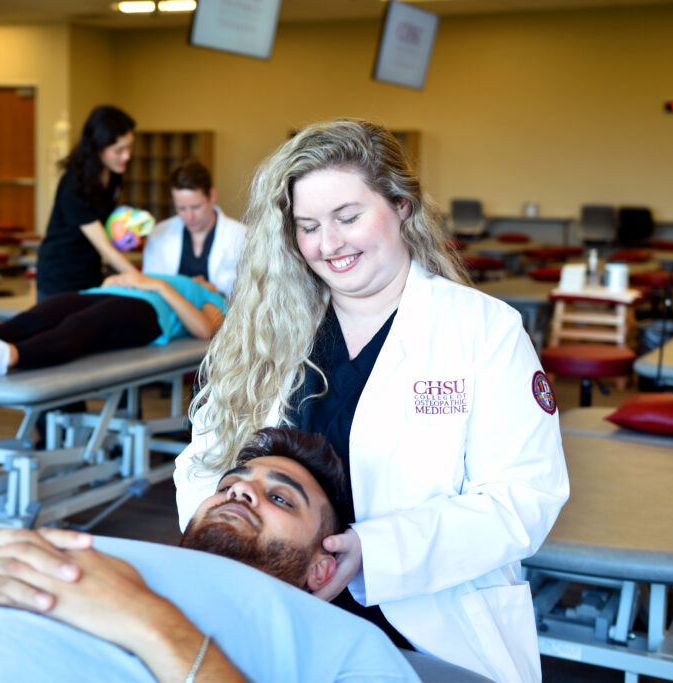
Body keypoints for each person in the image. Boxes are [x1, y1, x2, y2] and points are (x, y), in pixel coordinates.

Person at [170, 119, 569, 682]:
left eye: (348, 218)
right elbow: (202, 465)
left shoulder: (481, 330)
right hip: (268, 603)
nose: (328, 245)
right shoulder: (264, 329)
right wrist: (229, 545)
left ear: (401, 205)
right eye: (307, 226)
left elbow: (522, 497)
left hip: (424, 624)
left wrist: (372, 552)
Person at [0, 429, 421, 683]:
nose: (243, 489)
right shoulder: (115, 551)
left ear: (324, 568)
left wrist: (149, 623)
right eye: (236, 482)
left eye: (282, 496)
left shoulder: (343, 642)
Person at [0, 271, 226, 378]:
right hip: (102, 293)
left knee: (81, 325)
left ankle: (9, 356)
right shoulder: (176, 276)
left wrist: (155, 285)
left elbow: (204, 329)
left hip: (148, 314)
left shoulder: (212, 295)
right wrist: (118, 281)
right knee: (36, 316)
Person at [35, 105, 139, 301]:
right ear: (98, 148)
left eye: (129, 146)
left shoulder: (114, 175)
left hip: (89, 271)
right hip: (60, 276)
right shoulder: (74, 184)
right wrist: (145, 281)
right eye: (119, 150)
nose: (127, 156)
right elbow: (105, 248)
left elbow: (103, 228)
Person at [142, 160, 247, 297]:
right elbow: (149, 286)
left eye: (196, 207)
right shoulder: (159, 233)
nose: (189, 216)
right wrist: (190, 286)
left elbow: (250, 294)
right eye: (181, 208)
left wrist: (209, 290)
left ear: (212, 196)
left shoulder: (242, 236)